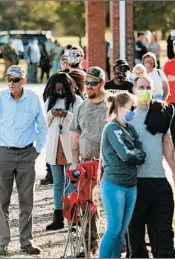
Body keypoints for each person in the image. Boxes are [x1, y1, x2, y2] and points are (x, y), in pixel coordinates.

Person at [0, 65, 48, 256]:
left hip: (27, 154)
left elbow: (43, 128)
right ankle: (2, 243)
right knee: (2, 201)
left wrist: (37, 150)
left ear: (23, 81)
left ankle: (26, 242)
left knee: (27, 201)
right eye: (8, 79)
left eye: (15, 79)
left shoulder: (33, 98)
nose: (11, 83)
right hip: (3, 154)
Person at [127, 75, 175, 258]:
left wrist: (174, 170)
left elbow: (167, 142)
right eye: (141, 87)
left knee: (163, 235)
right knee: (135, 238)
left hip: (157, 179)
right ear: (134, 90)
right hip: (134, 183)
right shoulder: (127, 116)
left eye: (149, 87)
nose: (145, 90)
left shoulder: (160, 113)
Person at [98, 92, 146, 258]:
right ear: (120, 108)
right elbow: (126, 154)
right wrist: (135, 154)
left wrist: (135, 154)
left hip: (130, 185)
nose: (134, 111)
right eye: (132, 108)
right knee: (113, 229)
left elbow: (141, 153)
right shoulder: (112, 128)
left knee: (121, 232)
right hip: (114, 185)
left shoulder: (130, 129)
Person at [70, 66, 109, 254]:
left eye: (93, 83)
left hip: (108, 164)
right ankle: (89, 247)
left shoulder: (112, 104)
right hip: (86, 163)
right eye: (87, 82)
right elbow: (75, 134)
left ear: (102, 83)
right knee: (87, 207)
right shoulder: (82, 106)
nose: (89, 86)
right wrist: (75, 161)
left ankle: (115, 247)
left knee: (111, 206)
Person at [43, 72, 83, 230]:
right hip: (55, 146)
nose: (59, 93)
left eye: (62, 90)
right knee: (58, 183)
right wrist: (52, 114)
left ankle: (73, 217)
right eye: (57, 90)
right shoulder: (50, 101)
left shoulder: (77, 101)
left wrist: (66, 114)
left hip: (70, 146)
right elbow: (43, 121)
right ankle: (58, 217)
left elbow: (80, 121)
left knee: (70, 183)